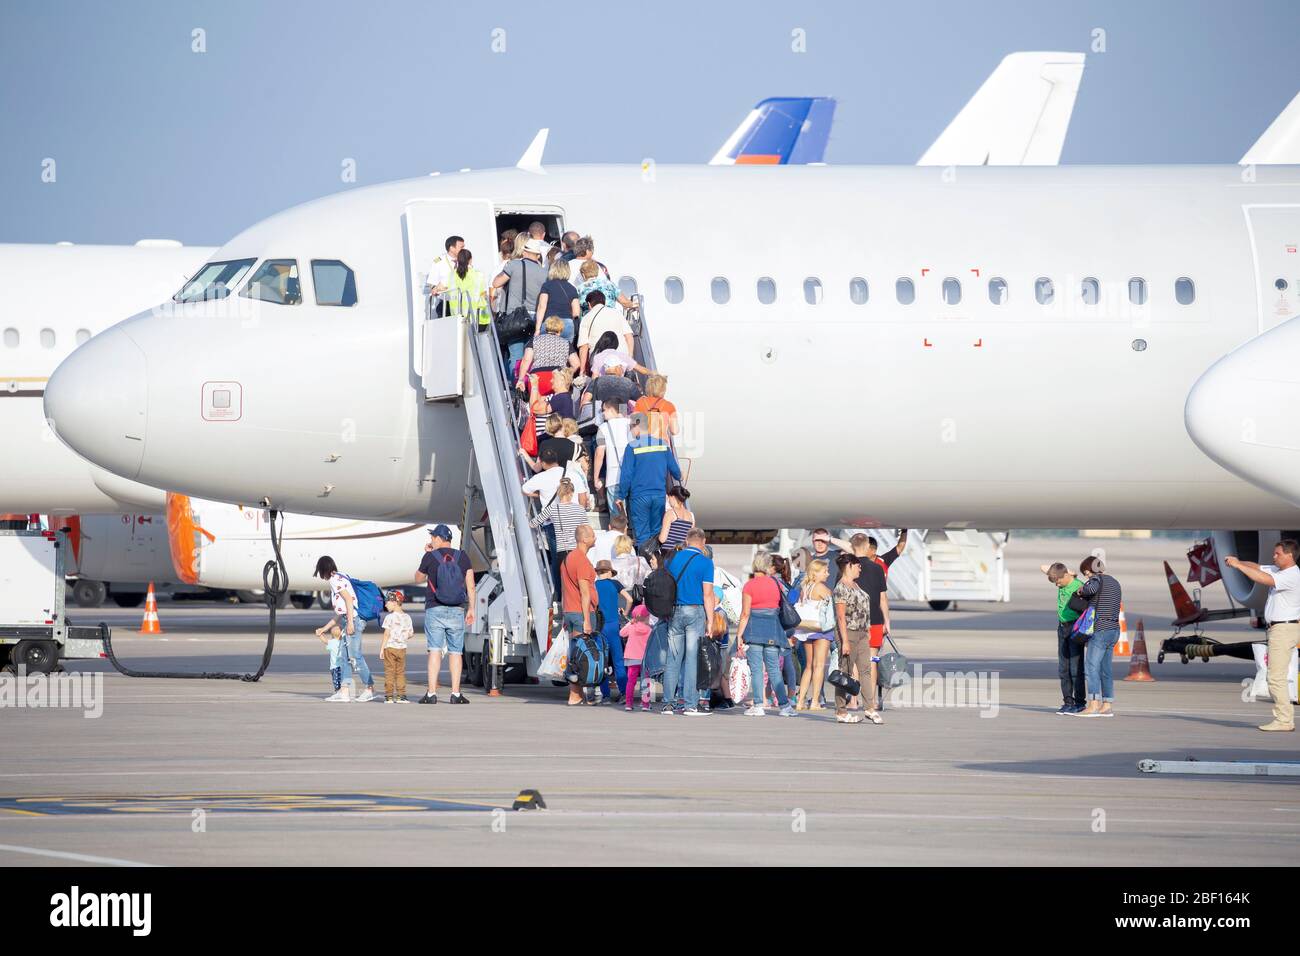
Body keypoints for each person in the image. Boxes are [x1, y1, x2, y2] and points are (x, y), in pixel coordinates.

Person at [1225, 539, 1300, 732]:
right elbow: (1258, 568)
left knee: (1275, 677)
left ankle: (1284, 720)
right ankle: (1285, 719)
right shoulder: (1279, 570)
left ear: (1290, 556)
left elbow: (1262, 579)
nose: (1274, 557)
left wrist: (1238, 566)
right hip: (1281, 628)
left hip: (1284, 629)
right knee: (1277, 676)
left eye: (1278, 554)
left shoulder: (1291, 575)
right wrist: (1238, 561)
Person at [414, 525, 476, 706]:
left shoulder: (430, 557)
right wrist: (471, 608)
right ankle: (456, 694)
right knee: (456, 653)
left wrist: (427, 554)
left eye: (433, 537)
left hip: (435, 609)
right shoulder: (462, 557)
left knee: (434, 650)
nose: (432, 539)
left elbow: (417, 578)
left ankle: (431, 693)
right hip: (457, 610)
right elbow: (470, 585)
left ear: (439, 539)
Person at [662, 528, 717, 715]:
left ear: (686, 540)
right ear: (703, 542)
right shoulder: (706, 563)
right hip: (695, 611)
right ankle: (689, 704)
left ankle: (668, 704)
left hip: (674, 611)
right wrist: (711, 620)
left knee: (673, 658)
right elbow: (708, 594)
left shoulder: (672, 559)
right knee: (692, 658)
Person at [735, 551, 796, 717]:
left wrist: (739, 635)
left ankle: (759, 704)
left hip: (754, 629)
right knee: (774, 669)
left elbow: (745, 613)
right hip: (773, 629)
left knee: (756, 670)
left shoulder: (749, 585)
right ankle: (785, 706)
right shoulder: (776, 584)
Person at [313, 555, 376, 702]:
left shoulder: (335, 580)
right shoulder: (341, 576)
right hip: (350, 619)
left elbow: (348, 600)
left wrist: (350, 624)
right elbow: (339, 613)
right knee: (344, 658)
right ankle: (344, 691)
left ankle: (369, 688)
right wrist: (325, 628)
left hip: (353, 620)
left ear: (323, 569)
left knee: (355, 657)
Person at [618, 412, 682, 548]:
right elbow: (674, 469)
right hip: (659, 495)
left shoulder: (632, 447)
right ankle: (656, 563)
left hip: (639, 496)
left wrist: (621, 495)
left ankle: (645, 564)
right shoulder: (663, 444)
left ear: (637, 426)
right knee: (657, 532)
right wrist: (679, 476)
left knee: (641, 535)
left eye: (631, 427)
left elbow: (627, 474)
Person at [833, 554, 881, 724]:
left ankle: (869, 708)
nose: (860, 568)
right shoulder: (841, 588)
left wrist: (867, 631)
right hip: (847, 633)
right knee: (844, 673)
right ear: (849, 566)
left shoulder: (856, 585)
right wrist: (845, 641)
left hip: (861, 633)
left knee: (866, 670)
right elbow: (840, 617)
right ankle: (841, 711)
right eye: (858, 565)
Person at [1074, 555, 1122, 718]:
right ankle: (1106, 705)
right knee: (1105, 669)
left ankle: (1093, 704)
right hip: (1114, 630)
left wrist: (1081, 590)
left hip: (1101, 629)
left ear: (1088, 571)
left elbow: (1091, 589)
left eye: (1085, 574)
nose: (1086, 577)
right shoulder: (1115, 582)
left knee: (1091, 667)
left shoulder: (1095, 580)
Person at [492, 236, 547, 371]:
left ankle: (516, 388)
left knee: (516, 356)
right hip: (534, 318)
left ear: (524, 252)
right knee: (530, 357)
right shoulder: (544, 272)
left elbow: (496, 283)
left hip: (515, 316)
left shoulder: (514, 265)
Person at [848, 534, 890, 707]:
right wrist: (887, 621)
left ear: (852, 547)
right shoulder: (877, 568)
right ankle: (870, 700)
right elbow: (883, 598)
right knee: (872, 660)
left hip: (854, 620)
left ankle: (853, 700)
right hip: (875, 620)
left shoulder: (848, 568)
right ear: (867, 547)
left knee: (855, 661)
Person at [561, 525, 599, 706]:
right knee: (583, 655)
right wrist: (586, 620)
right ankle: (576, 695)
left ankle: (578, 694)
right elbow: (585, 593)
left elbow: (564, 589)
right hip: (580, 612)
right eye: (592, 535)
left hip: (570, 610)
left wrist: (564, 613)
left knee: (576, 653)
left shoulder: (568, 558)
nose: (595, 537)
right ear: (584, 539)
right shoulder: (582, 560)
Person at [1042, 561, 1086, 714]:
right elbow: (1044, 567)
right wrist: (1066, 572)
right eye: (1054, 582)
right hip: (1062, 628)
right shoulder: (1061, 579)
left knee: (1076, 668)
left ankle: (1080, 702)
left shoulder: (1078, 586)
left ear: (1066, 576)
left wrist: (1071, 574)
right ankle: (1068, 701)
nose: (1057, 585)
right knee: (1063, 669)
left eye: (1058, 581)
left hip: (1075, 628)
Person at [793, 558, 835, 711]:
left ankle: (800, 701)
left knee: (808, 666)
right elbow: (834, 603)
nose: (828, 574)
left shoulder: (805, 587)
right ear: (816, 573)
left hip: (806, 628)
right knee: (819, 666)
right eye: (825, 571)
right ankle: (815, 701)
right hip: (820, 629)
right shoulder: (821, 588)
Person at [530, 477, 590, 579]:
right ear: (571, 493)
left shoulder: (553, 508)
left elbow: (533, 523)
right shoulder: (580, 509)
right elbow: (587, 530)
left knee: (565, 582)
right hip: (578, 551)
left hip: (562, 551)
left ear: (559, 493)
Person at [594, 560, 632, 703]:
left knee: (601, 662)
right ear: (610, 572)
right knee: (618, 660)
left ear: (597, 572)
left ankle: (606, 696)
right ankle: (624, 694)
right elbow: (630, 599)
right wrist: (625, 613)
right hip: (614, 625)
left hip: (599, 626)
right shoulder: (615, 584)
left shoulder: (594, 586)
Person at [516, 316, 579, 392]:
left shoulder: (534, 341)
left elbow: (526, 360)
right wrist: (566, 374)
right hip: (558, 378)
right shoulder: (566, 343)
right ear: (561, 330)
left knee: (536, 403)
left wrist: (521, 380)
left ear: (546, 328)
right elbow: (576, 364)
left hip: (538, 377)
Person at [577, 291, 635, 372]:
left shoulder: (586, 318)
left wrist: (582, 370)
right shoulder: (617, 313)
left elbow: (584, 346)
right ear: (604, 302)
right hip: (621, 361)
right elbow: (628, 336)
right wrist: (630, 357)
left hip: (600, 364)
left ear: (589, 304)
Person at [593, 399, 632, 516]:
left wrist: (596, 478)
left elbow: (599, 454)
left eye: (604, 410)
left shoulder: (603, 428)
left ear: (611, 410)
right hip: (633, 477)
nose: (602, 414)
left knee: (617, 519)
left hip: (614, 478)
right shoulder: (633, 423)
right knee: (635, 518)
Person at [379, 589, 413, 704]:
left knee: (389, 672)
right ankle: (401, 696)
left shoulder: (390, 617)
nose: (385, 604)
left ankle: (389, 696)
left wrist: (382, 649)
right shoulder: (408, 617)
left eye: (387, 602)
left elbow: (386, 634)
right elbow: (410, 634)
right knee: (400, 672)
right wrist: (402, 637)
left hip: (389, 648)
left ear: (394, 602)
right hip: (402, 648)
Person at [534, 258, 580, 342]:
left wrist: (537, 329)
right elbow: (576, 312)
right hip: (567, 325)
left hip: (550, 324)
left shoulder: (547, 285)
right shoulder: (572, 288)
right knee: (566, 353)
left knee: (547, 352)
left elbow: (542, 307)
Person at [445, 248, 491, 329]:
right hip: (477, 317)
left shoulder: (451, 276)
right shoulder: (478, 275)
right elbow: (484, 294)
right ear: (470, 260)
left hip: (457, 317)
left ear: (457, 260)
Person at [621, 604, 654, 712]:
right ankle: (645, 704)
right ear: (647, 616)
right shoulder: (649, 629)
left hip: (631, 658)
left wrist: (629, 623)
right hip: (645, 659)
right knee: (646, 681)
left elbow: (621, 633)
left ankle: (629, 704)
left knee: (631, 681)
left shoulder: (631, 627)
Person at [632, 374, 680, 443]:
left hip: (643, 445)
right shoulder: (669, 405)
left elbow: (635, 430)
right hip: (662, 447)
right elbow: (674, 431)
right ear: (663, 389)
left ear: (648, 387)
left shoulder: (640, 402)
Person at [425, 235, 464, 317]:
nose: (463, 250)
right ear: (452, 248)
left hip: (463, 302)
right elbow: (431, 282)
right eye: (461, 247)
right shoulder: (439, 262)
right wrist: (435, 289)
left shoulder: (464, 259)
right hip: (447, 304)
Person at [315, 618, 351, 702]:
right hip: (342, 665)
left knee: (336, 681)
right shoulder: (344, 642)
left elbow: (325, 641)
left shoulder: (332, 642)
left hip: (335, 666)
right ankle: (343, 692)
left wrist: (319, 634)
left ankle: (339, 693)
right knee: (341, 679)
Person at [659, 485, 695, 553]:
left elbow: (662, 539)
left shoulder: (670, 513)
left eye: (668, 498)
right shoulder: (691, 515)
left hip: (668, 553)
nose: (668, 501)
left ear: (673, 497)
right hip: (683, 553)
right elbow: (690, 539)